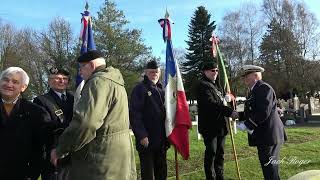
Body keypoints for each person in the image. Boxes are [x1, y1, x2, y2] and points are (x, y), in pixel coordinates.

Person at [50, 50, 136, 180]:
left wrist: (61, 149)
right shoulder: (116, 81)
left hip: (100, 158)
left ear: (91, 65)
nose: (80, 72)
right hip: (119, 155)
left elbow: (86, 123)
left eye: (81, 67)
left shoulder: (97, 82)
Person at [237, 65, 287, 180]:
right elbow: (252, 111)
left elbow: (263, 111)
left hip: (269, 136)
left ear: (255, 76)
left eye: (246, 76)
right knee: (268, 169)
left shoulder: (264, 88)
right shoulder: (255, 90)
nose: (244, 79)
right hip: (264, 136)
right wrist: (238, 115)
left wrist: (247, 125)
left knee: (271, 170)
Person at [0, 67, 50, 180]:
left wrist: (31, 174)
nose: (9, 84)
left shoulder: (36, 112)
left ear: (23, 87)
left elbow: (40, 148)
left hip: (21, 174)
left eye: (15, 82)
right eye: (5, 80)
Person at [196, 61, 238, 180]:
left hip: (221, 126)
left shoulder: (217, 85)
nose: (215, 73)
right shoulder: (202, 85)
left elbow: (221, 101)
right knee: (212, 153)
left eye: (216, 70)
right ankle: (211, 177)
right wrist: (230, 112)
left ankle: (220, 176)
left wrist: (229, 100)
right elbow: (211, 105)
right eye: (212, 70)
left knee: (220, 154)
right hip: (210, 127)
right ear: (205, 72)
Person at [129, 60, 168, 180]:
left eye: (157, 72)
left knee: (162, 172)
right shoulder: (139, 89)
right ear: (146, 73)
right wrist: (141, 135)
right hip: (147, 140)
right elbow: (135, 114)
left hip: (162, 140)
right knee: (148, 174)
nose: (154, 74)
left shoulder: (162, 89)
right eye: (151, 72)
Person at [33, 67, 74, 180]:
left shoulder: (75, 98)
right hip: (55, 152)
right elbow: (45, 127)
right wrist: (71, 126)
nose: (62, 81)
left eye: (65, 78)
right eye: (57, 78)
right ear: (50, 81)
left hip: (74, 153)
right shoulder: (41, 100)